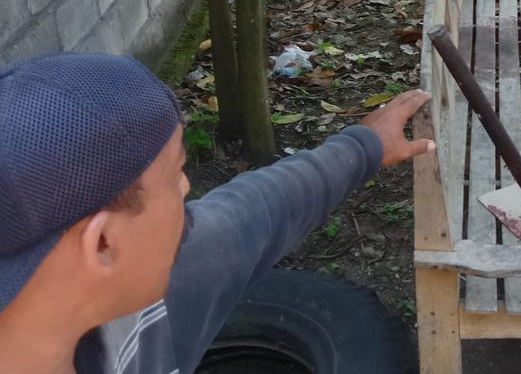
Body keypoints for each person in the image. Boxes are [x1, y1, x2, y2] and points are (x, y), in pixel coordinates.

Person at [0, 52, 435, 374]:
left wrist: (365, 146)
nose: (188, 189)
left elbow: (255, 212)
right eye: (175, 176)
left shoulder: (139, 292)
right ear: (103, 243)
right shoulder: (143, 303)